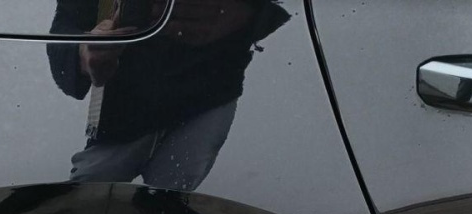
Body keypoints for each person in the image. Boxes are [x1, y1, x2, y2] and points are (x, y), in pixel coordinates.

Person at [48, 0, 290, 191]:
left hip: (209, 101)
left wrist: (247, 14)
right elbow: (66, 29)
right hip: (121, 113)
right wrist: (84, 53)